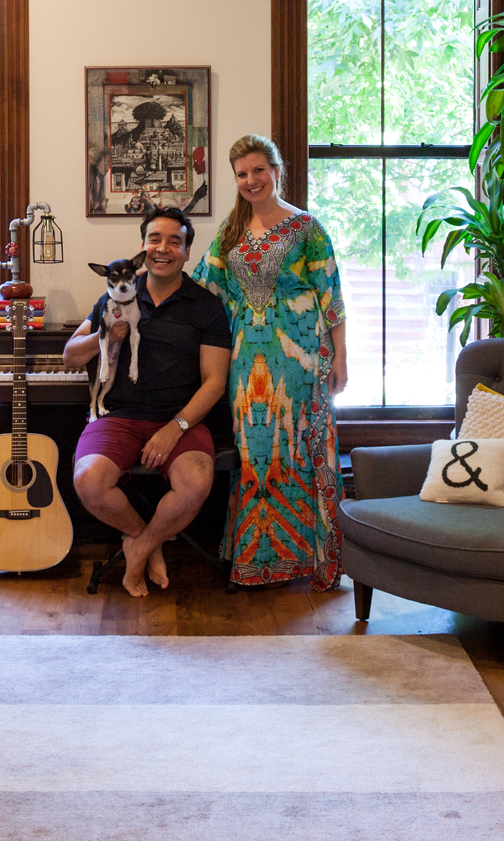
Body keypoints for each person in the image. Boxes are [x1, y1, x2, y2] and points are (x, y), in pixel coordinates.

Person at [194, 135, 349, 588]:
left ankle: (312, 559)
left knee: (301, 447)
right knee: (256, 455)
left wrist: (340, 355)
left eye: (257, 170)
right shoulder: (230, 230)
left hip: (302, 354)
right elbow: (205, 286)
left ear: (276, 171)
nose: (250, 181)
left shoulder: (307, 228)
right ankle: (259, 560)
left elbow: (330, 292)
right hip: (247, 357)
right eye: (241, 174)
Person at [63, 206, 231, 598]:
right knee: (88, 480)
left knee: (195, 483)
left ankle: (137, 549)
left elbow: (215, 382)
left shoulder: (206, 307)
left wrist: (175, 429)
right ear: (142, 246)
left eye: (175, 241)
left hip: (179, 419)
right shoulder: (117, 294)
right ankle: (146, 541)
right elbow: (71, 355)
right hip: (118, 416)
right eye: (155, 239)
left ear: (188, 252)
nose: (163, 248)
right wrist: (107, 336)